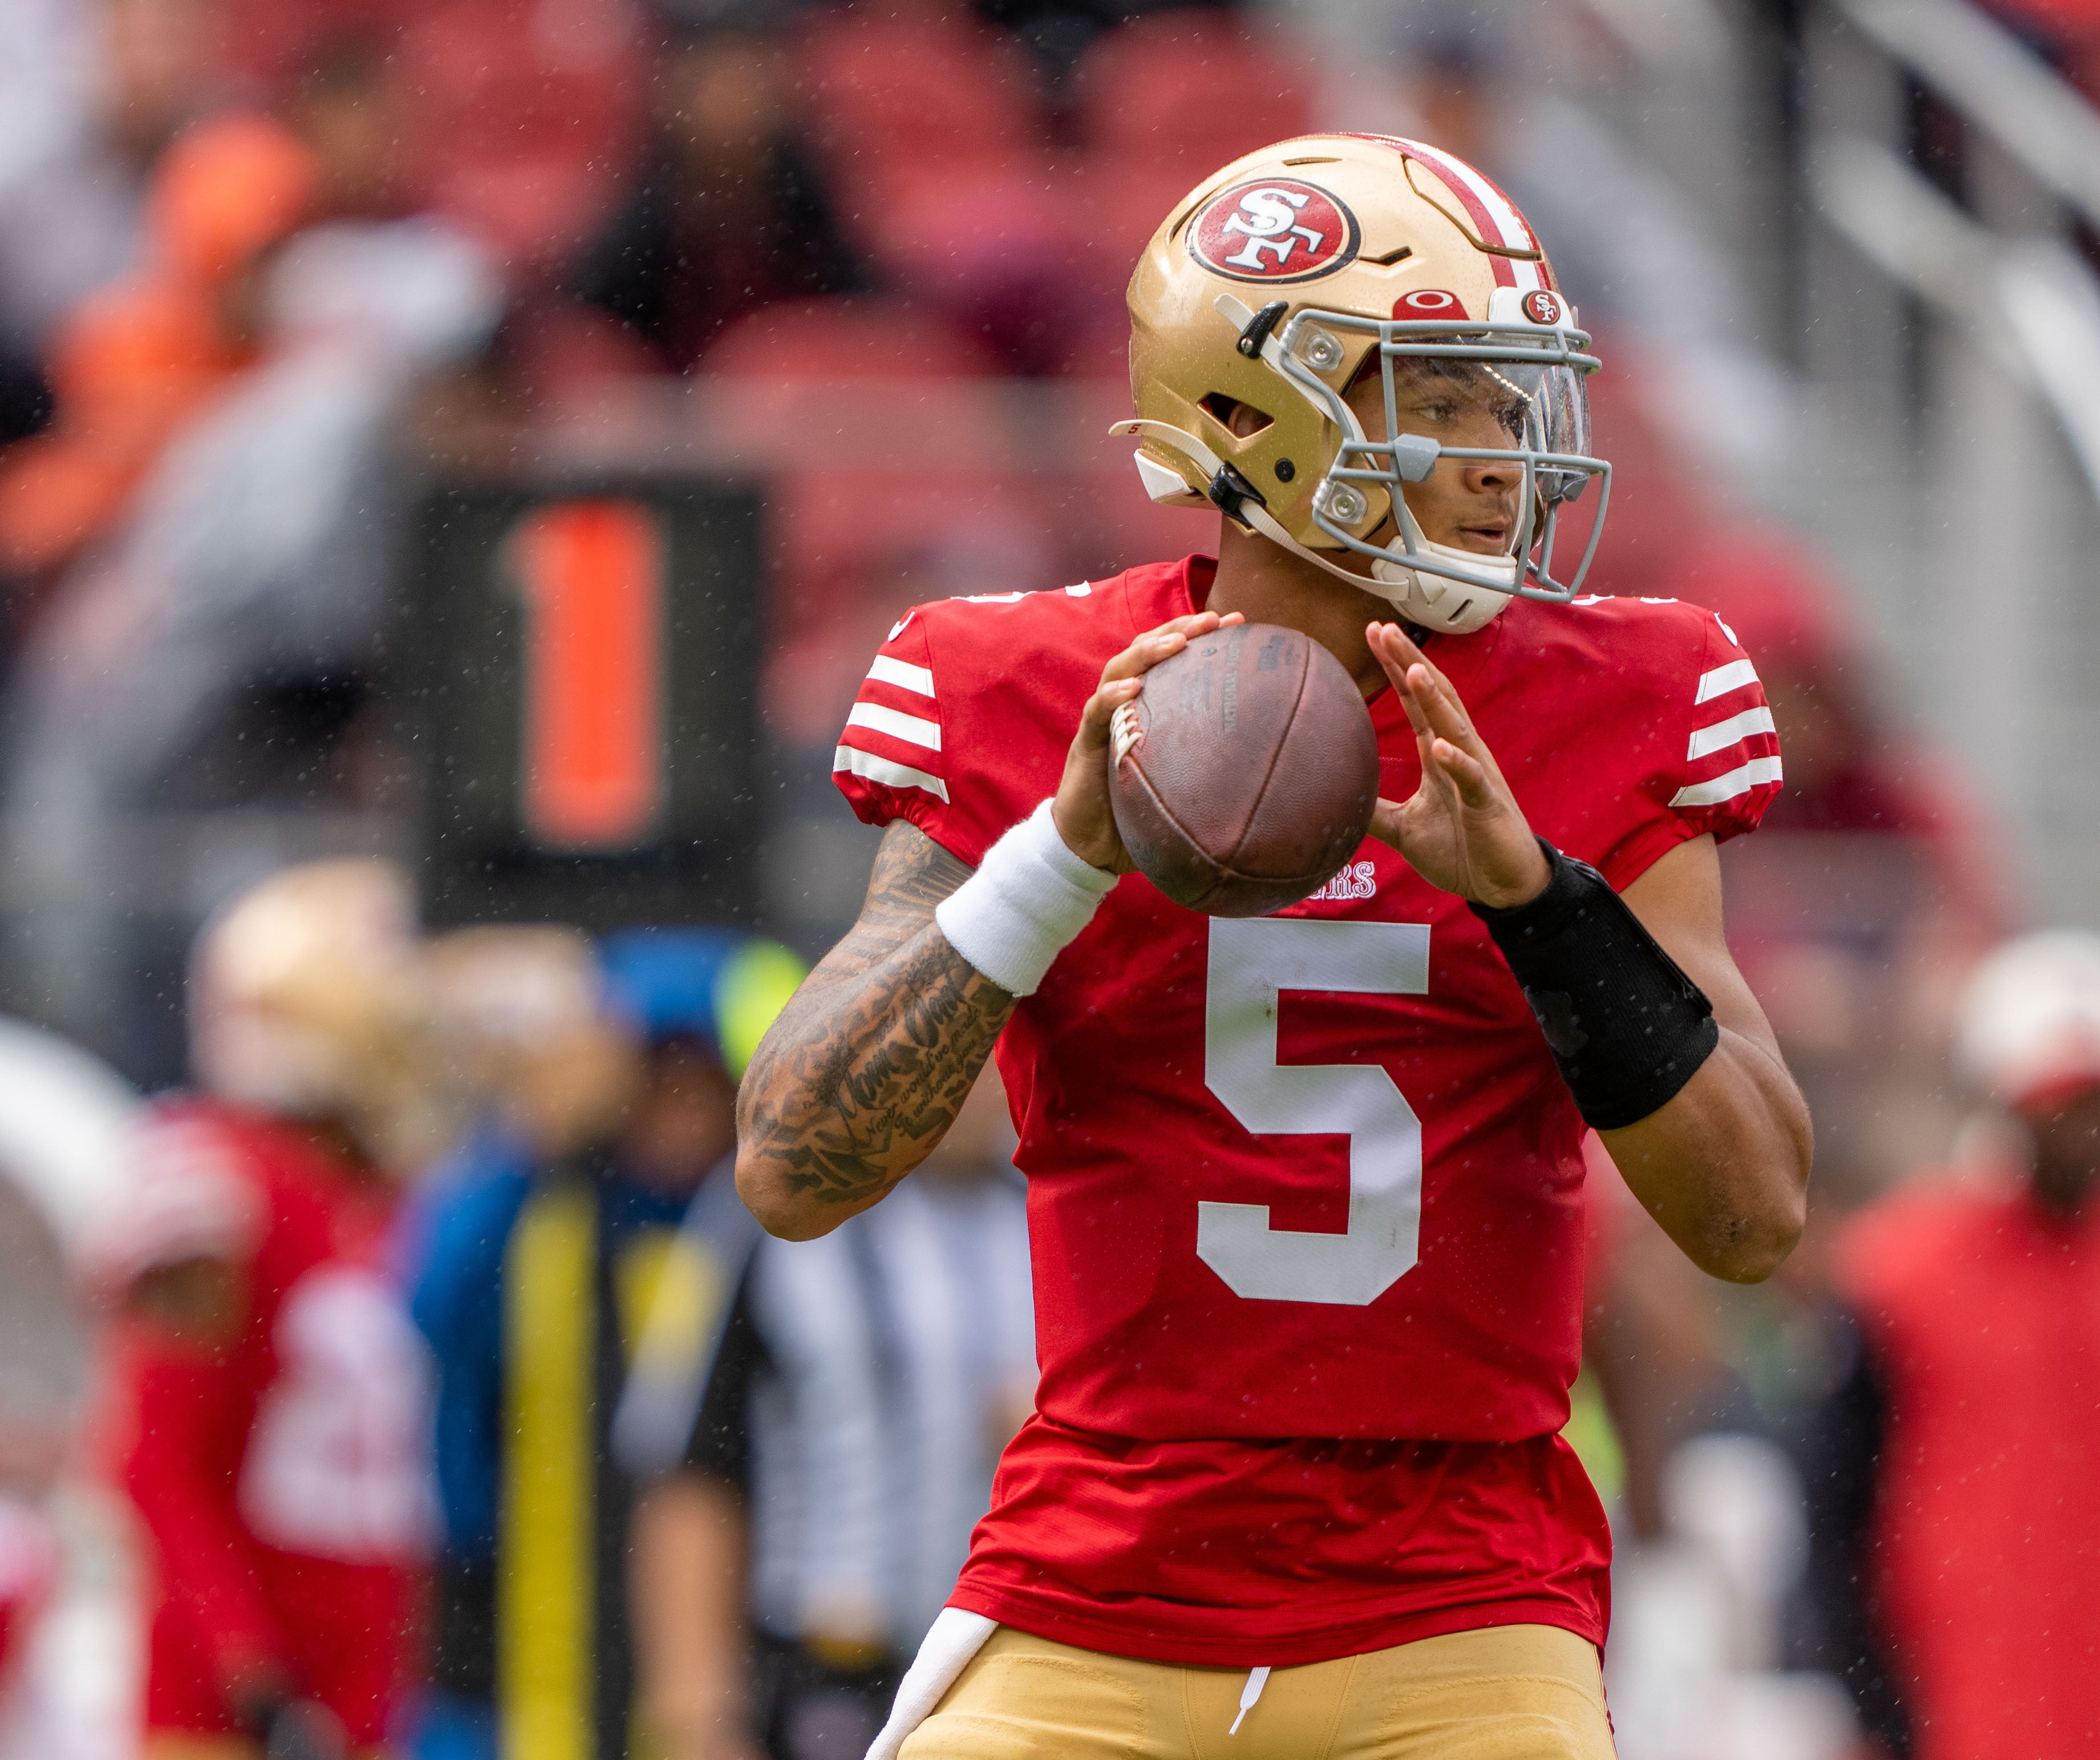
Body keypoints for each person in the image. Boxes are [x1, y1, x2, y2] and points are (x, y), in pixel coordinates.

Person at [735, 132, 1813, 1758]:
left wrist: (1543, 906)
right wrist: (1060, 858)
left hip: (1464, 1599)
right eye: (1442, 397)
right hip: (1099, 1580)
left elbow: (1752, 1214)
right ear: (1251, 416)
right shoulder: (1027, 689)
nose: (1502, 456)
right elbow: (790, 1165)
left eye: (1507, 399)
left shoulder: (1619, 694)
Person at [1803, 929, 2100, 1760]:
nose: (2080, 1125)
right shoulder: (1900, 1268)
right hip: (1957, 1709)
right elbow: (1836, 1505)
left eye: (2098, 1099)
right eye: (2057, 1100)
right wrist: (1871, 1697)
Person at [84, 858, 441, 1760]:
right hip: (228, 1715)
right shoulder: (223, 1181)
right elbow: (152, 1460)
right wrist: (253, 1672)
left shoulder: (386, 1200)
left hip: (360, 1689)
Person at [618, 1038, 1033, 1760]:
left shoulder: (1050, 1205)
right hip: (827, 1678)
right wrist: (699, 1715)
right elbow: (691, 1468)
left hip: (1006, 1682)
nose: (984, 1074)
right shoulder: (782, 1199)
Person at [407, 928, 753, 1760]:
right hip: (509, 1646)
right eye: (656, 1082)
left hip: (706, 1657)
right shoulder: (536, 1208)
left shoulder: (750, 1230)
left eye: (701, 1085)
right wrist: (532, 1132)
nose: (680, 1111)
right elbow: (429, 1311)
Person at [569, 23, 867, 371]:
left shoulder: (811, 201)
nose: (731, 109)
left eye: (745, 90)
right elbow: (598, 317)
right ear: (679, 104)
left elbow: (856, 310)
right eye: (717, 91)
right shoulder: (646, 208)